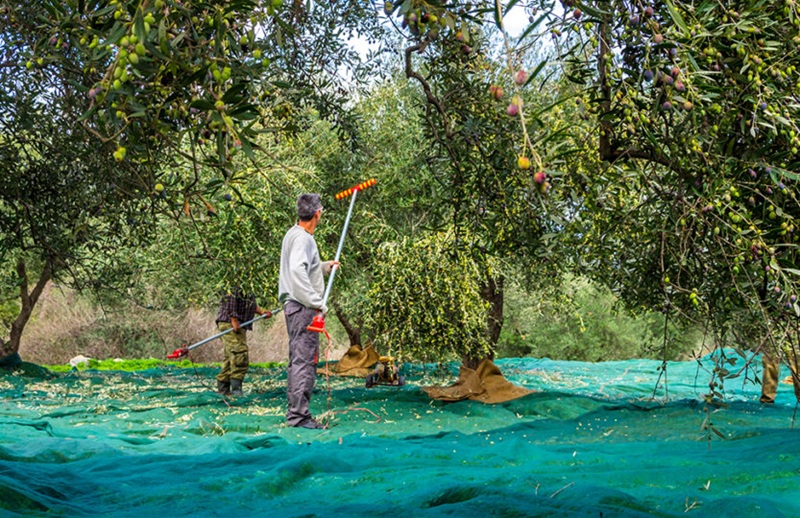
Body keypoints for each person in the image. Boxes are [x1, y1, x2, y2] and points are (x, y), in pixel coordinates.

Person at [279, 193, 338, 429]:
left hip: (295, 307)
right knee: (304, 361)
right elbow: (297, 272)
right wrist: (317, 302)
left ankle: (297, 413)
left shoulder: (293, 235)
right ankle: (299, 417)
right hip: (303, 308)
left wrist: (323, 267)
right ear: (317, 213)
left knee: (298, 360)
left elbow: (305, 268)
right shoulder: (303, 239)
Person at [215, 287, 268, 396]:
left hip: (236, 323)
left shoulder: (248, 282)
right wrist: (233, 319)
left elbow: (248, 304)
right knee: (239, 354)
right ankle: (236, 390)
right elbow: (230, 299)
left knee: (231, 356)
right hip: (230, 323)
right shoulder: (237, 280)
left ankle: (223, 389)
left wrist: (262, 312)